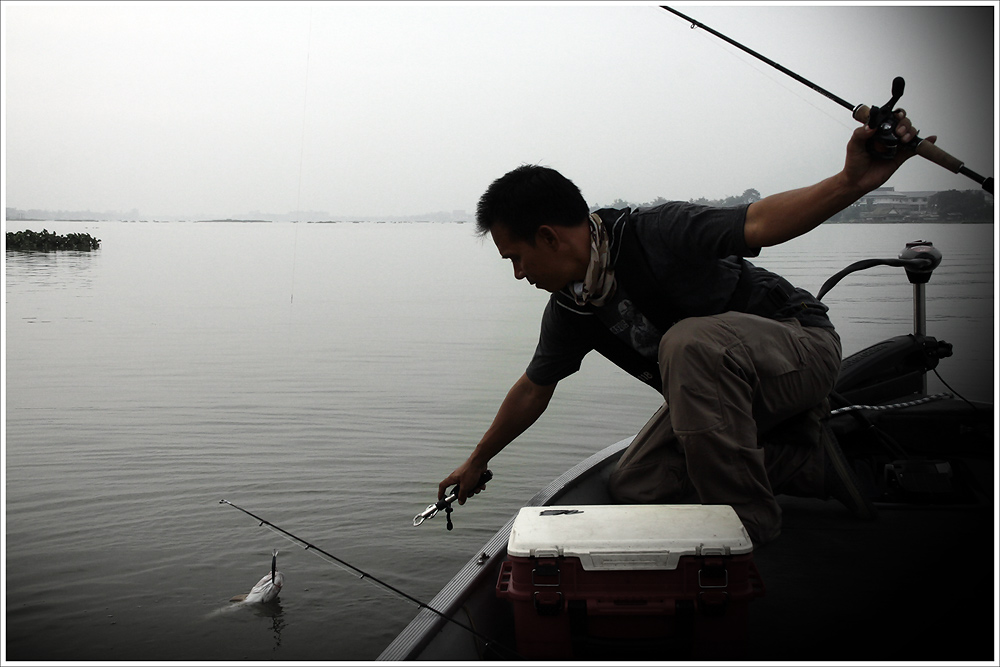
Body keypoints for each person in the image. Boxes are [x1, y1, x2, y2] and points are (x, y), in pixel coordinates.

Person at [439, 113, 928, 545]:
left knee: (687, 342)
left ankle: (744, 528)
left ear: (547, 236)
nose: (519, 274)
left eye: (517, 258)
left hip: (802, 351)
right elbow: (533, 388)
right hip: (723, 395)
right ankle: (808, 464)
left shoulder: (656, 231)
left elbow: (758, 223)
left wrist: (850, 182)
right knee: (637, 481)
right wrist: (477, 459)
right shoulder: (574, 306)